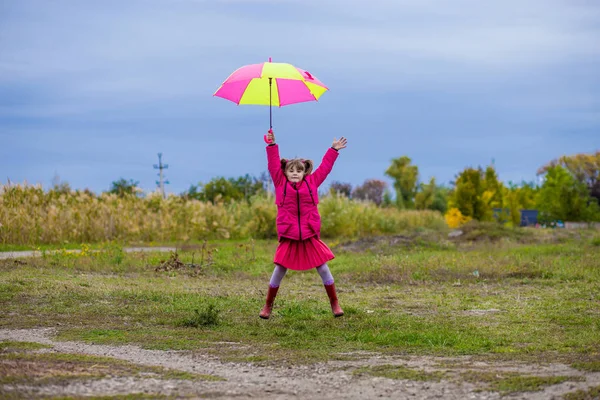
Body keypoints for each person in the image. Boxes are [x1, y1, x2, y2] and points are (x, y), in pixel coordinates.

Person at [259, 129, 348, 319]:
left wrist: (333, 150)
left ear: (304, 172)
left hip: (308, 235)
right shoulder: (280, 183)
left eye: (298, 171)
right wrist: (272, 145)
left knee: (323, 268)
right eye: (291, 170)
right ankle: (267, 306)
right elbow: (273, 164)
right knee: (279, 269)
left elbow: (325, 168)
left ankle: (335, 303)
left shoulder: (312, 182)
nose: (294, 173)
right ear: (285, 172)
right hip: (289, 235)